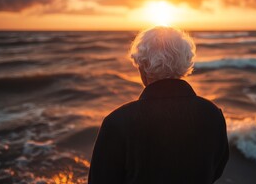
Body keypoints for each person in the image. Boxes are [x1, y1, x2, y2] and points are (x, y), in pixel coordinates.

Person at [88, 26, 229, 184]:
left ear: (142, 69)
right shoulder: (212, 114)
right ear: (185, 65)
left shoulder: (116, 122)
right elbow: (216, 169)